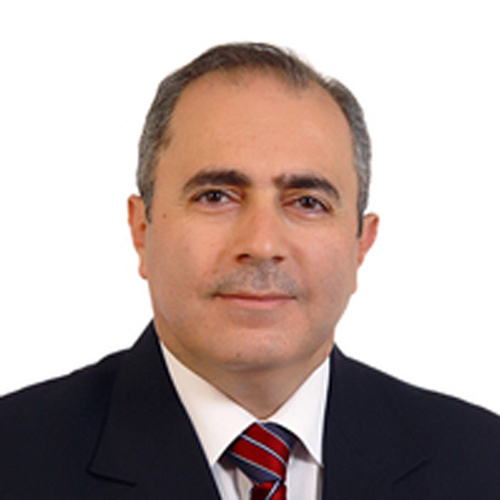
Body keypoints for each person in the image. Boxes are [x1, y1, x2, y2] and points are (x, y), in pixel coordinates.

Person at [0, 42, 499, 500]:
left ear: (360, 244)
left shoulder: (481, 462)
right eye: (216, 196)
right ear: (142, 230)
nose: (261, 245)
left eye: (308, 202)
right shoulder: (15, 460)